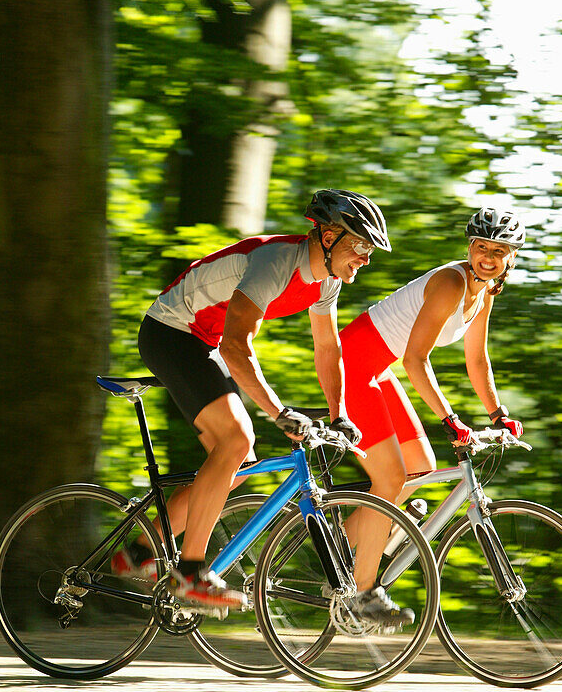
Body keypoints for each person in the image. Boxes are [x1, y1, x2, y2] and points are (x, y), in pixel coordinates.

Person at [112, 189, 391, 613]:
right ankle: (189, 574)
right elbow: (237, 347)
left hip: (203, 341)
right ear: (330, 236)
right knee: (237, 441)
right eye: (361, 246)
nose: (365, 259)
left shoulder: (327, 281)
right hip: (171, 332)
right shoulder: (276, 262)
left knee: (238, 468)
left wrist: (340, 415)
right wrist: (279, 412)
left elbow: (327, 348)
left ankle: (136, 552)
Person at [339, 206, 526, 613]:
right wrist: (450, 418)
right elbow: (415, 361)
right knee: (390, 479)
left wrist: (498, 414)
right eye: (481, 247)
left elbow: (476, 359)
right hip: (350, 367)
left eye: (498, 250)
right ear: (470, 247)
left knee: (419, 472)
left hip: (374, 370)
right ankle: (363, 594)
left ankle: (339, 548)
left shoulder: (485, 290)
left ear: (511, 256)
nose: (488, 257)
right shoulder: (450, 283)